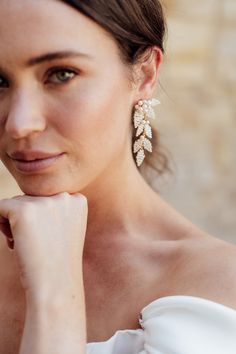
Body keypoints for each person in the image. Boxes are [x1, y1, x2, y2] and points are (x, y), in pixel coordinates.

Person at [0, 1, 236, 353]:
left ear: (145, 74)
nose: (19, 124)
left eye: (61, 74)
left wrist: (53, 292)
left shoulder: (215, 292)